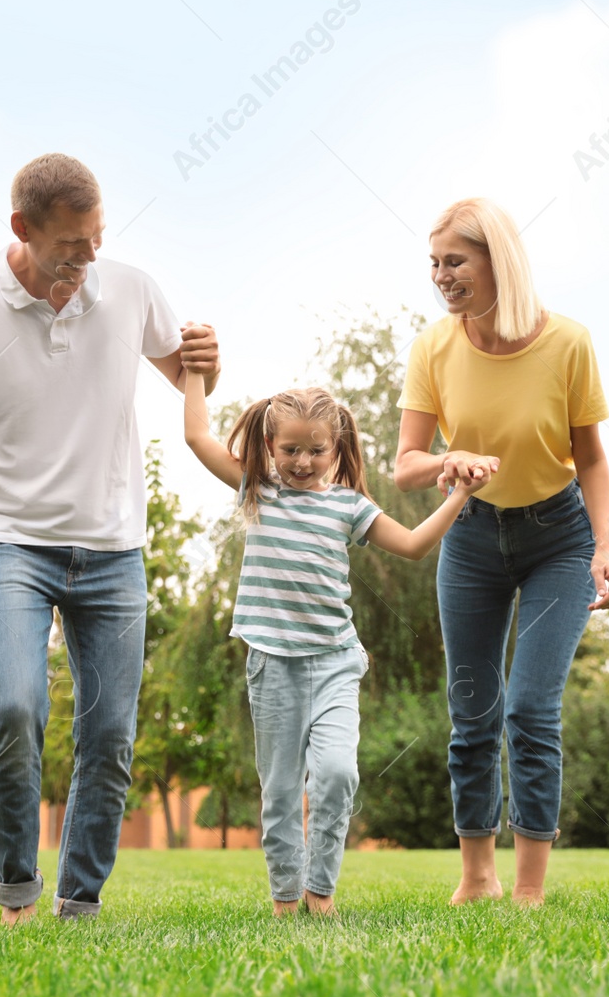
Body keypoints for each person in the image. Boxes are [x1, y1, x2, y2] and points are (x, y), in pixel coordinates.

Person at [0, 153, 220, 923]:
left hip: (114, 548)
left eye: (96, 240)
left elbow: (188, 377)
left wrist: (206, 362)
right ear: (21, 229)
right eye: (68, 247)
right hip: (11, 542)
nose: (85, 260)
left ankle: (79, 906)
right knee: (14, 706)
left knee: (108, 734)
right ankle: (16, 893)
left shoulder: (133, 290)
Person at [182, 367, 490, 915]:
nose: (302, 462)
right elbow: (197, 437)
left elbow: (416, 545)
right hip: (272, 665)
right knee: (279, 791)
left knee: (337, 773)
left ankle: (319, 891)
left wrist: (460, 493)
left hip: (334, 663)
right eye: (291, 449)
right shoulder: (258, 490)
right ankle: (284, 898)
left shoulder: (349, 506)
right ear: (271, 447)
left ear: (336, 447)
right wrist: (193, 375)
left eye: (316, 450)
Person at [394, 197, 609, 907]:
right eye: (434, 263)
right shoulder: (434, 346)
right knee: (473, 710)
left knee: (530, 706)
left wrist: (606, 546)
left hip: (558, 536)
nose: (441, 275)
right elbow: (404, 461)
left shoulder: (568, 343)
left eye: (455, 261)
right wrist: (447, 459)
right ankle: (476, 876)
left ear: (498, 260)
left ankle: (528, 887)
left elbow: (590, 458)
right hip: (470, 536)